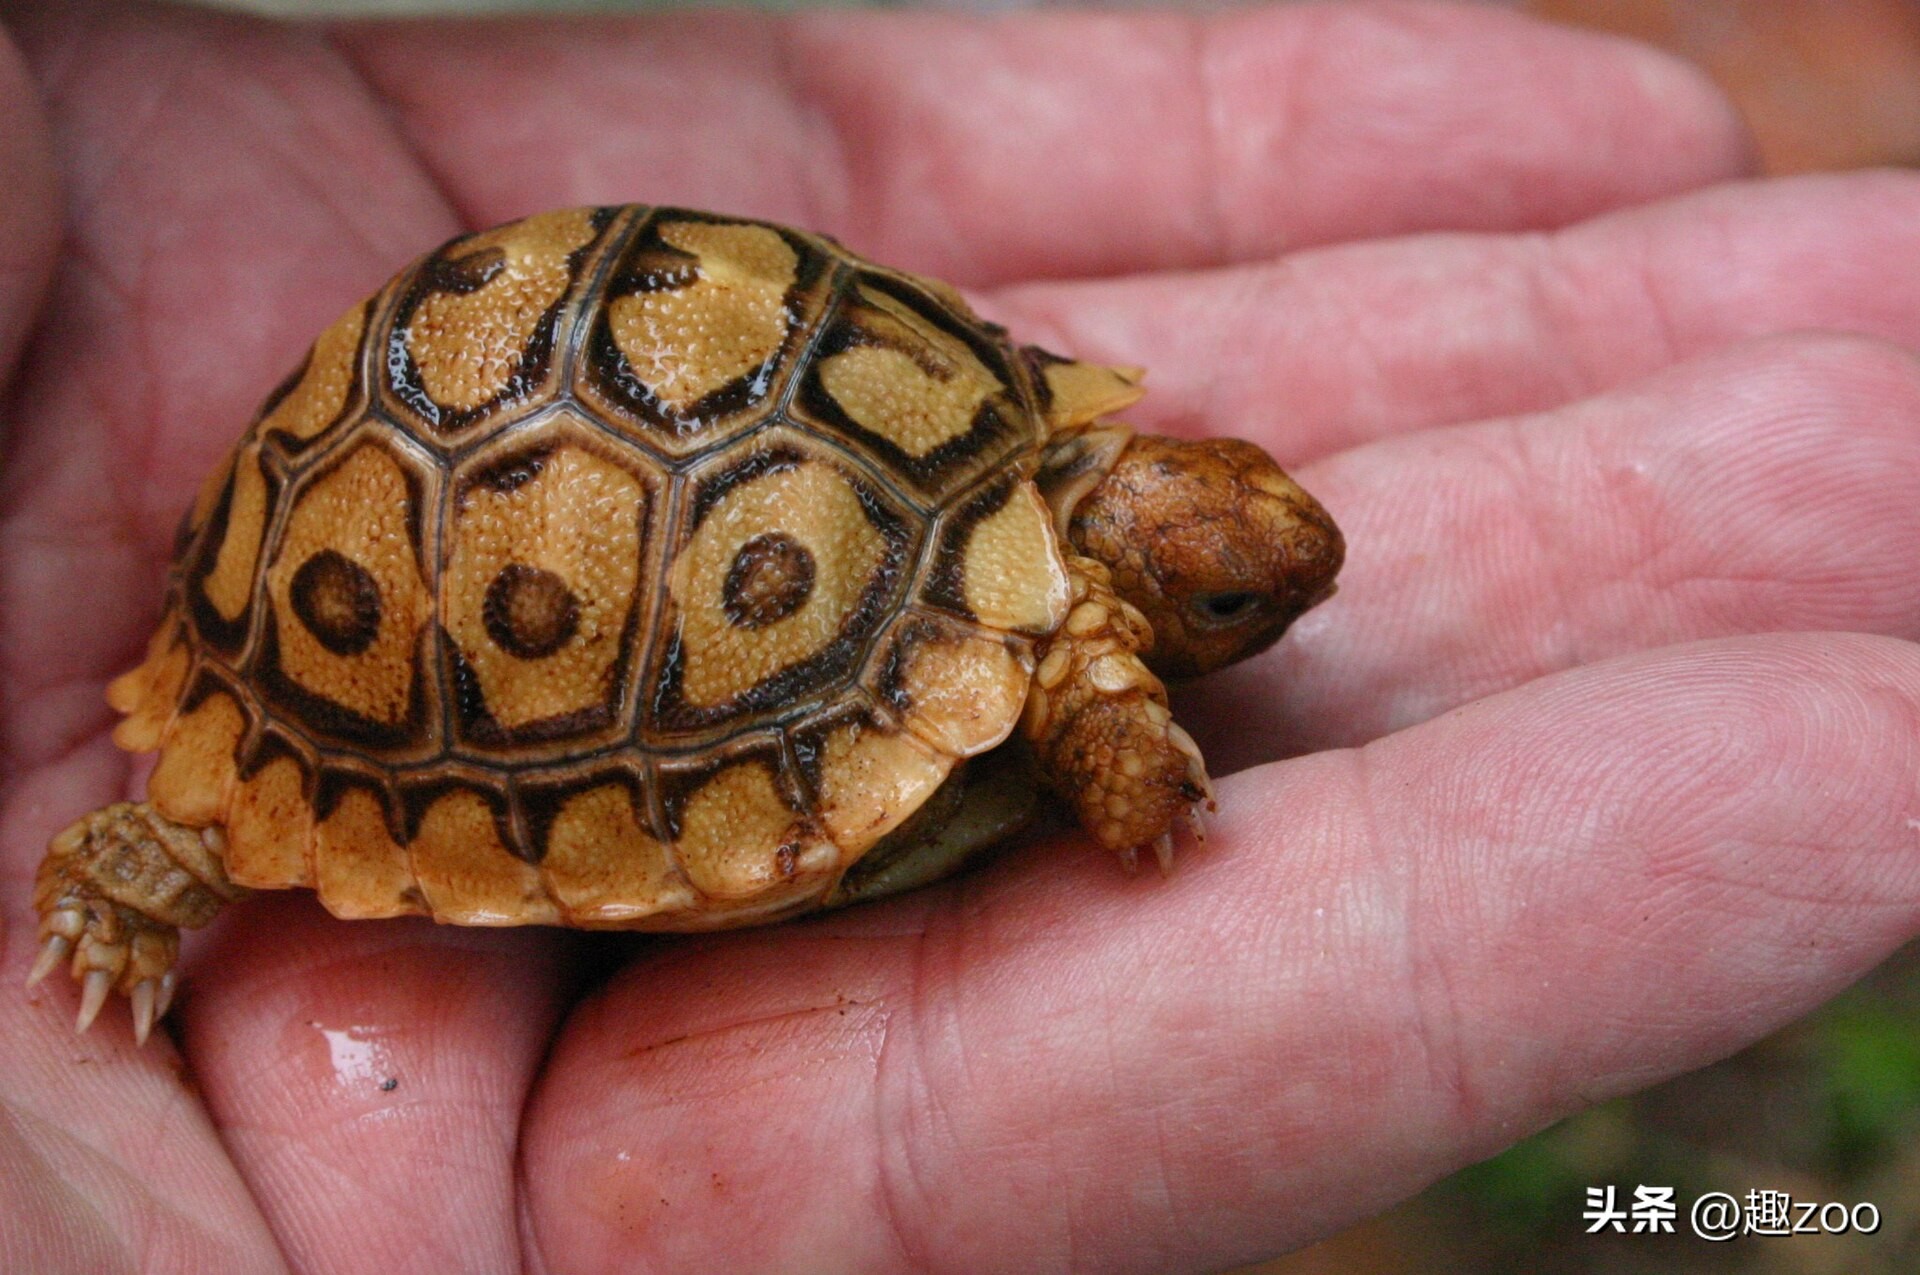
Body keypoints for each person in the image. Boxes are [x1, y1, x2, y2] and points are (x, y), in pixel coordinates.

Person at [2, 1, 1917, 1270]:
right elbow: (1084, 678)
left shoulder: (1028, 440)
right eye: (1236, 608)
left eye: (1249, 572)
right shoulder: (1083, 640)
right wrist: (1121, 734)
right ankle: (170, 839)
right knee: (229, 834)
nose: (1278, 608)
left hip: (622, 396)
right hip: (417, 572)